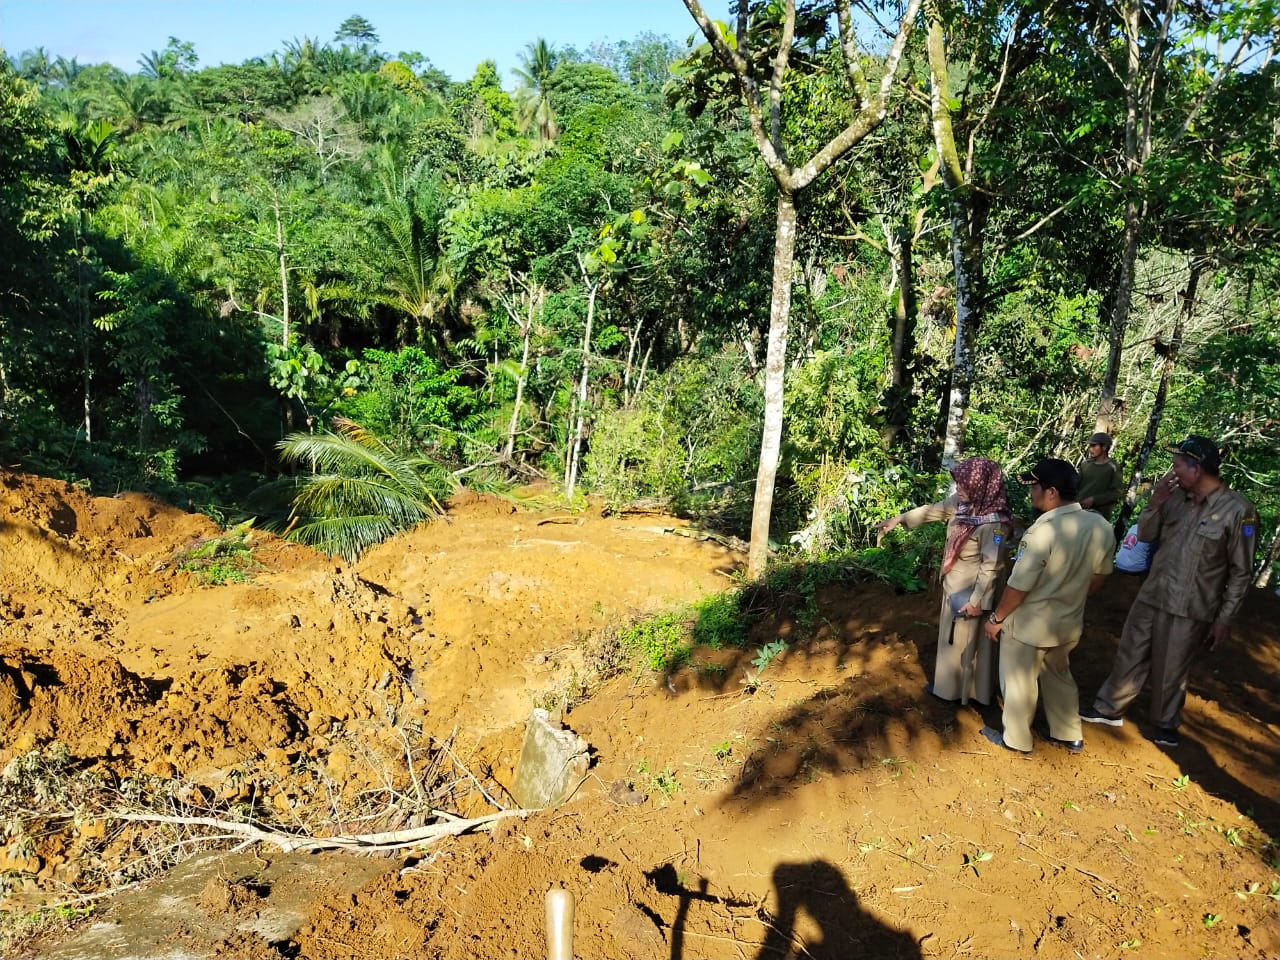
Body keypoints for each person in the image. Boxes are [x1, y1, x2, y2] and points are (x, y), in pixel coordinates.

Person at [1081, 435, 1258, 747]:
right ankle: (1108, 708)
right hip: (1153, 593)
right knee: (1130, 651)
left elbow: (1241, 572)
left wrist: (1224, 619)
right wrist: (1156, 500)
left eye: (1177, 464)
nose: (1172, 471)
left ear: (1196, 468)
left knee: (1171, 667)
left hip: (1191, 605)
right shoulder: (1174, 497)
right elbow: (1147, 534)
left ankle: (1165, 724)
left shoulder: (1238, 510)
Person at [981, 458, 1115, 755]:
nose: (1032, 494)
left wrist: (997, 618)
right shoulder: (1100, 526)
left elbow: (1019, 586)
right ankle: (1070, 734)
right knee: (1059, 674)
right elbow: (1100, 577)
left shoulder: (1042, 532)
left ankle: (1016, 739)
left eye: (1035, 488)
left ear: (1051, 492)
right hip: (1068, 623)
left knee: (1019, 682)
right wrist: (1070, 596)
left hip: (1030, 626)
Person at [876, 458, 1012, 705]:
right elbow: (933, 510)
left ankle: (967, 695)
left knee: (967, 644)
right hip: (955, 585)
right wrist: (898, 519)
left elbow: (991, 567)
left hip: (974, 591)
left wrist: (977, 601)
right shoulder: (961, 505)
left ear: (980, 485)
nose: (958, 488)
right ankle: (949, 689)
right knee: (952, 641)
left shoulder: (995, 523)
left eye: (963, 484)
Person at [1077, 432, 1124, 517]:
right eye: (1090, 446)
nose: (1091, 449)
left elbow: (1117, 493)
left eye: (1094, 446)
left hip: (1099, 515)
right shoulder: (1085, 464)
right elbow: (1076, 486)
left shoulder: (1113, 467)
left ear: (1104, 447)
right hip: (1079, 511)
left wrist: (1094, 500)